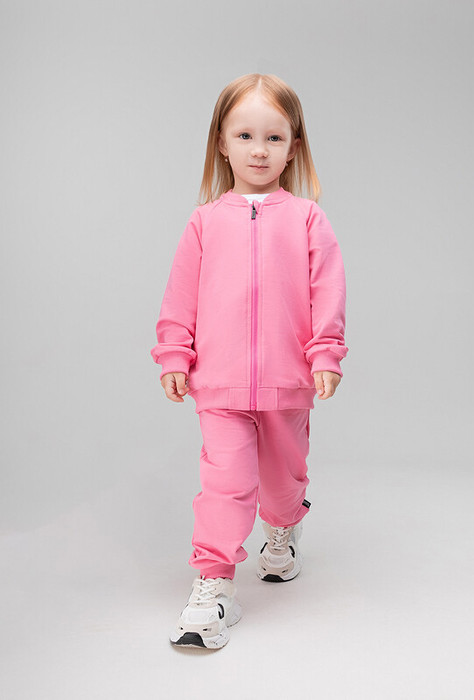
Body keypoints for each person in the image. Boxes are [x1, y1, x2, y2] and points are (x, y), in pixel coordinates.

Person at [151, 73, 348, 649]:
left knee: (282, 483)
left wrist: (325, 353)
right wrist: (175, 352)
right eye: (244, 136)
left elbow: (327, 291)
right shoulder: (204, 221)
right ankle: (213, 584)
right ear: (221, 142)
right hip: (219, 383)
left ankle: (283, 528)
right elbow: (180, 296)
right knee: (225, 484)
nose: (259, 150)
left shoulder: (308, 218)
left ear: (293, 147)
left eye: (273, 138)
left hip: (288, 381)